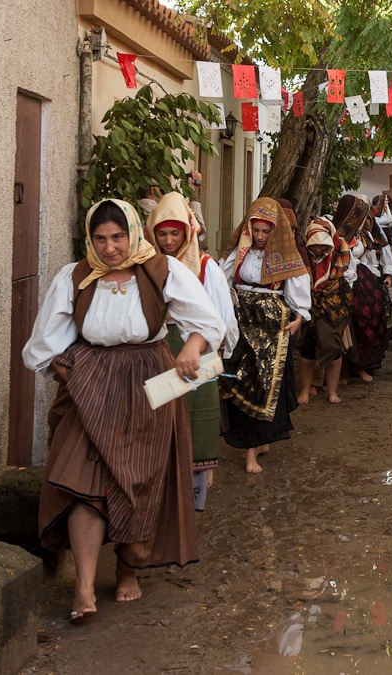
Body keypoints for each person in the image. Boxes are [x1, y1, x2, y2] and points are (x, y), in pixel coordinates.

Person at [23, 198, 224, 621]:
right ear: (90, 239)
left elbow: (207, 321)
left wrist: (190, 346)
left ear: (133, 232)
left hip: (147, 383)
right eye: (100, 238)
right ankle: (83, 587)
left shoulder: (161, 270)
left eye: (117, 237)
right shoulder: (76, 276)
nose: (110, 247)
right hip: (90, 385)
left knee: (140, 485)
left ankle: (129, 570)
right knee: (81, 484)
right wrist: (72, 373)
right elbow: (45, 343)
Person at [144, 192, 238, 511]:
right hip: (158, 355)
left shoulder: (206, 267)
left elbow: (222, 318)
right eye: (162, 233)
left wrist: (216, 354)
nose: (169, 240)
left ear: (187, 231)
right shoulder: (144, 267)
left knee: (196, 426)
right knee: (159, 424)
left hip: (197, 355)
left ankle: (190, 498)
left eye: (175, 233)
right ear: (151, 232)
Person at [221, 197, 311, 474]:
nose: (260, 236)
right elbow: (223, 281)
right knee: (240, 380)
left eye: (266, 231)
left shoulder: (287, 257)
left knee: (262, 383)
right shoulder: (240, 252)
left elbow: (297, 290)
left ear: (276, 230)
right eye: (256, 230)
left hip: (271, 325)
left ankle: (252, 451)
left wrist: (299, 317)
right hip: (241, 321)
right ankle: (257, 443)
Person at [338, 195, 392, 381]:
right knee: (349, 325)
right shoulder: (338, 236)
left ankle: (361, 365)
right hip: (346, 281)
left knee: (370, 319)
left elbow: (371, 258)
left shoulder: (363, 235)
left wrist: (381, 276)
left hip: (364, 280)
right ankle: (344, 369)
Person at [298, 217, 352, 405]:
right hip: (309, 305)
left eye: (322, 246)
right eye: (314, 246)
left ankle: (332, 391)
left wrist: (336, 286)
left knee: (334, 348)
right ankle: (305, 388)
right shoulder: (302, 256)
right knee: (307, 349)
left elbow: (348, 277)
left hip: (333, 309)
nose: (318, 250)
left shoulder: (340, 253)